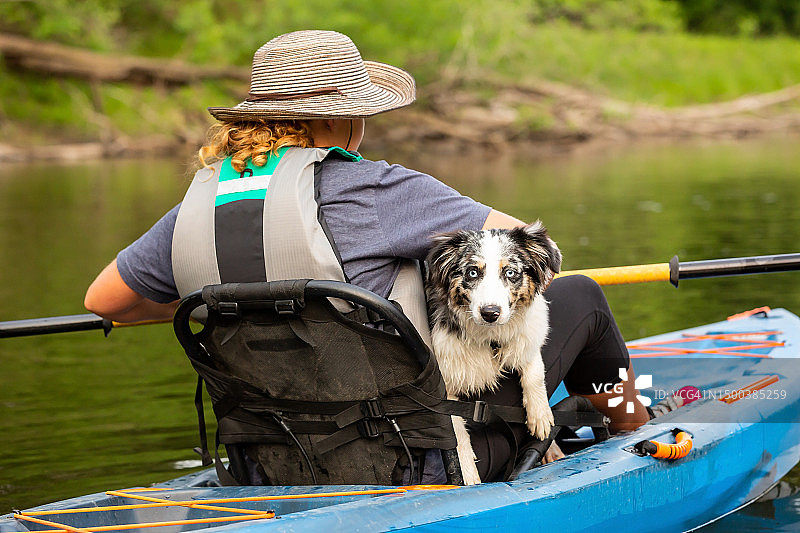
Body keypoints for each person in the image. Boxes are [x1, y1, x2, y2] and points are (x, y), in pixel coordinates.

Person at [85, 30, 649, 483]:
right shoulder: (380, 189)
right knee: (583, 296)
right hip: (416, 456)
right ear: (335, 121)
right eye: (360, 112)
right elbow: (526, 246)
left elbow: (104, 301)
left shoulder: (198, 204)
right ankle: (639, 438)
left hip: (267, 460)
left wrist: (223, 306)